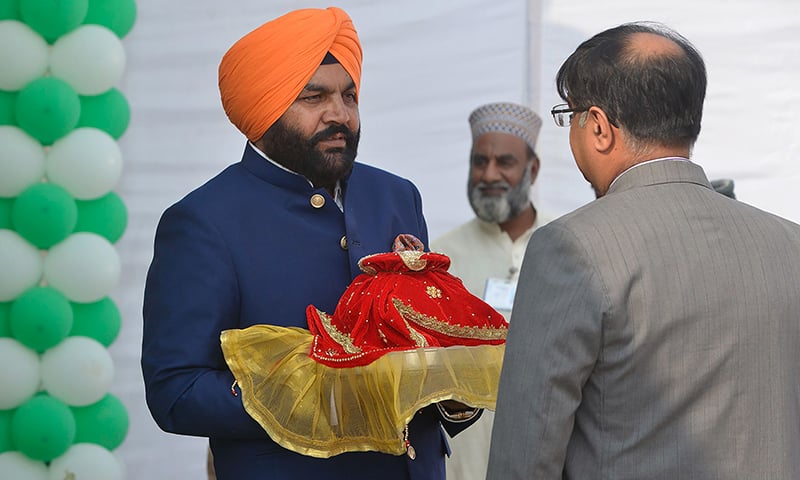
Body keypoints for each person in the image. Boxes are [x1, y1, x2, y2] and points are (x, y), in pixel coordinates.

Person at [141, 7, 479, 480]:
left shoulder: (396, 195)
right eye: (313, 96)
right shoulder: (204, 221)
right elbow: (175, 391)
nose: (339, 115)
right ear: (267, 107)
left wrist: (453, 385)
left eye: (349, 95)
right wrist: (317, 398)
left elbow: (421, 341)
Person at [487, 21, 800, 479]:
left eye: (567, 115)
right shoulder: (789, 244)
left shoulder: (570, 248)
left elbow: (528, 452)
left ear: (597, 127)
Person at [430, 102, 554, 480]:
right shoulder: (441, 259)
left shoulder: (565, 246)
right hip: (462, 461)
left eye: (505, 162)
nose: (489, 174)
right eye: (479, 161)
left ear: (532, 169)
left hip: (544, 455)